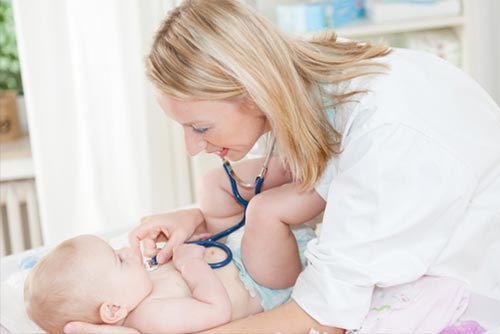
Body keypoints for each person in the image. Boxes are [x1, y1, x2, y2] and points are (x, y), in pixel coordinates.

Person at [64, 0, 500, 333]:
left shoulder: (388, 134)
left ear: (252, 94)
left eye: (200, 127)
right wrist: (193, 218)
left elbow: (322, 317)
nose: (192, 147)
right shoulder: (314, 85)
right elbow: (306, 178)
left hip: (465, 281)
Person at [25, 226, 314, 334]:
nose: (127, 251)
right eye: (119, 259)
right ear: (114, 310)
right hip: (265, 281)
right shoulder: (153, 317)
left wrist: (183, 252)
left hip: (244, 257)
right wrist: (191, 264)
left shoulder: (138, 292)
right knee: (268, 212)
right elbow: (216, 310)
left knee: (216, 190)